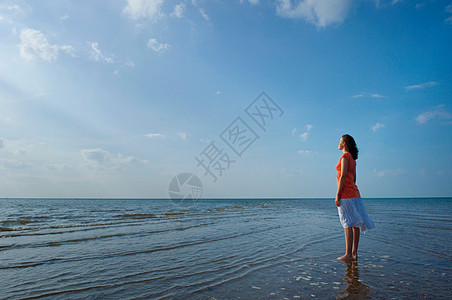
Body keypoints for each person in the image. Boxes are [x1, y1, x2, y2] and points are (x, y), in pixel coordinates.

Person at [335, 134, 375, 262]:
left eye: (340, 142)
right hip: (355, 193)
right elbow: (354, 178)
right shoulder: (352, 159)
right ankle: (354, 254)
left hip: (346, 195)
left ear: (344, 144)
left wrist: (338, 194)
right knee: (355, 224)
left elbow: (343, 176)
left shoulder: (345, 157)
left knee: (347, 223)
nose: (338, 144)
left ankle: (348, 254)